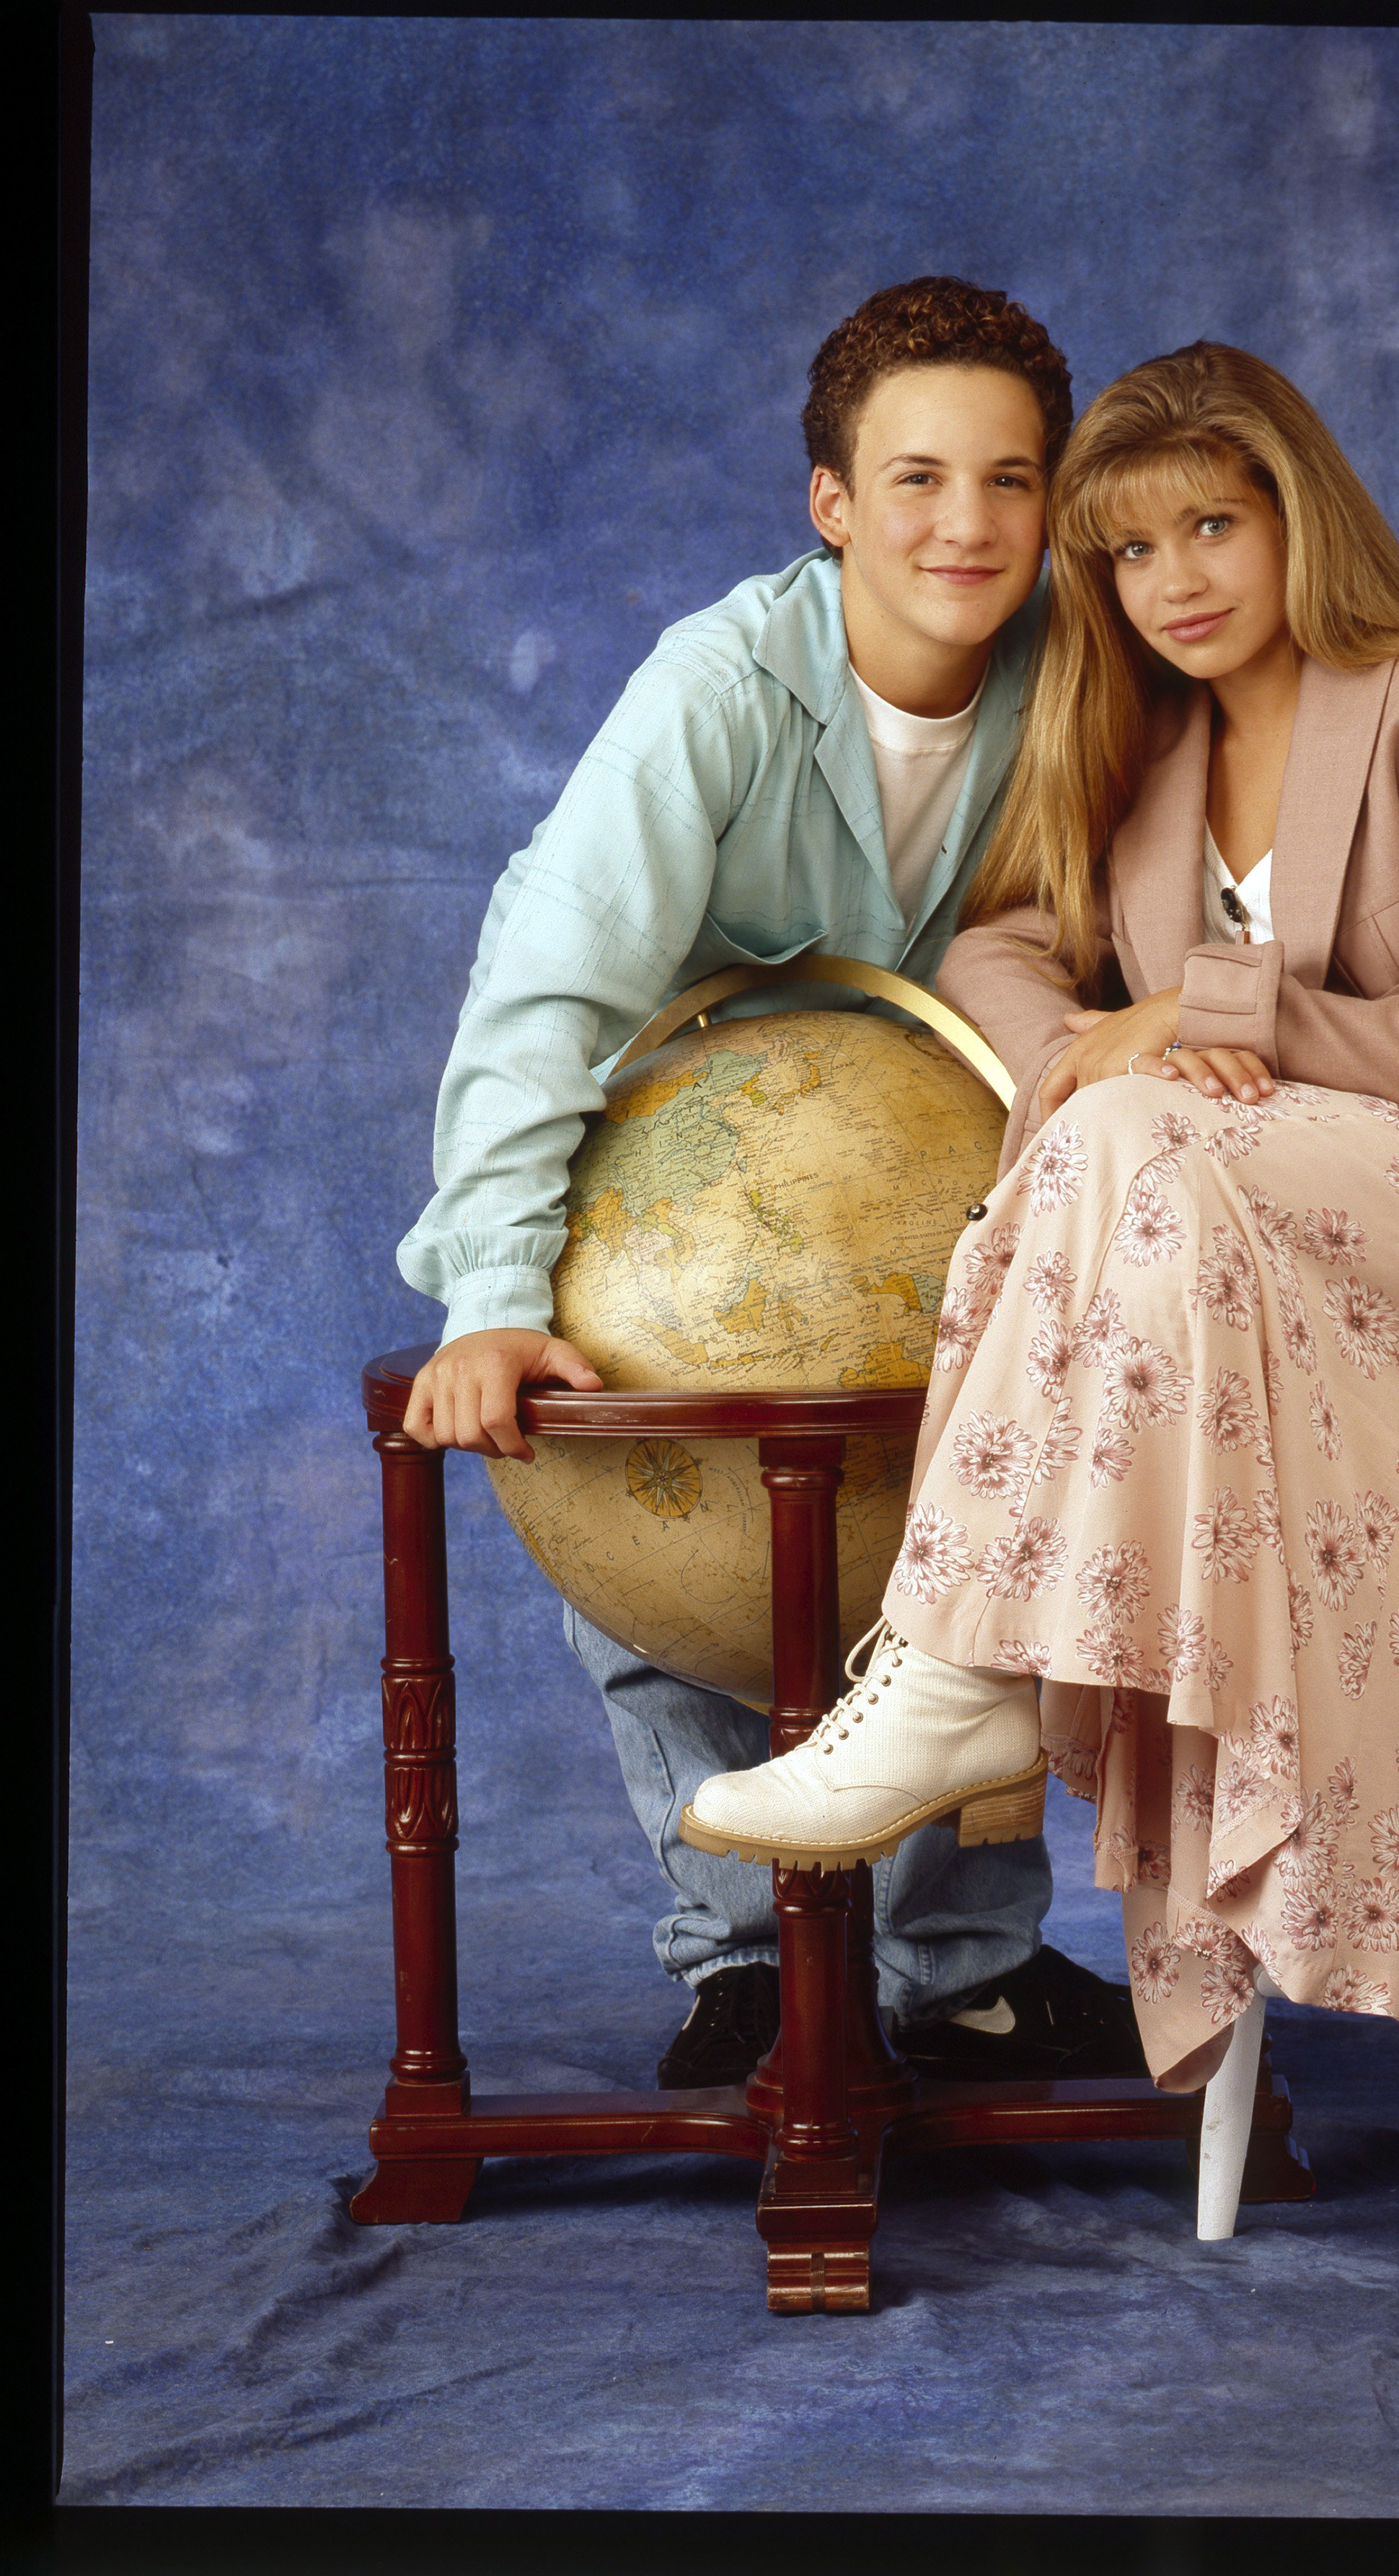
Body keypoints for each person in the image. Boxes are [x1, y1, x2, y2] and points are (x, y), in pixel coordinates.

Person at [678, 340, 1399, 2092]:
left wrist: (1213, 1015)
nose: (1175, 585)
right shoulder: (1149, 746)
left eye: (1213, 527)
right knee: (1117, 1125)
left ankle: (962, 1665)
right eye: (1132, 553)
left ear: (1301, 517)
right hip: (1252, 1235)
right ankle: (972, 1665)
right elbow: (996, 939)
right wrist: (1081, 1042)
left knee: (1133, 1126)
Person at [395, 278, 1147, 2091]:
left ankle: (964, 1967)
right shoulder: (717, 691)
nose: (963, 525)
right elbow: (547, 994)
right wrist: (497, 1295)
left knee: (984, 1518)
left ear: (1052, 507)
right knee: (655, 1491)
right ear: (830, 505)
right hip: (684, 1165)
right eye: (913, 480)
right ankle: (732, 1956)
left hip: (950, 1174)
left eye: (1009, 481)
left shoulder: (1080, 680)